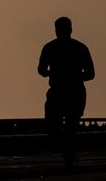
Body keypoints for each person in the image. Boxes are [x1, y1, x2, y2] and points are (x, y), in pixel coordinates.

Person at [37, 17, 95, 168]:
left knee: (58, 124)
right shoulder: (80, 48)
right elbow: (90, 74)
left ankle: (67, 154)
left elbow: (41, 71)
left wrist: (55, 74)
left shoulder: (49, 47)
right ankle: (68, 153)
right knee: (69, 125)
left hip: (60, 90)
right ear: (71, 29)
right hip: (74, 91)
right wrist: (74, 75)